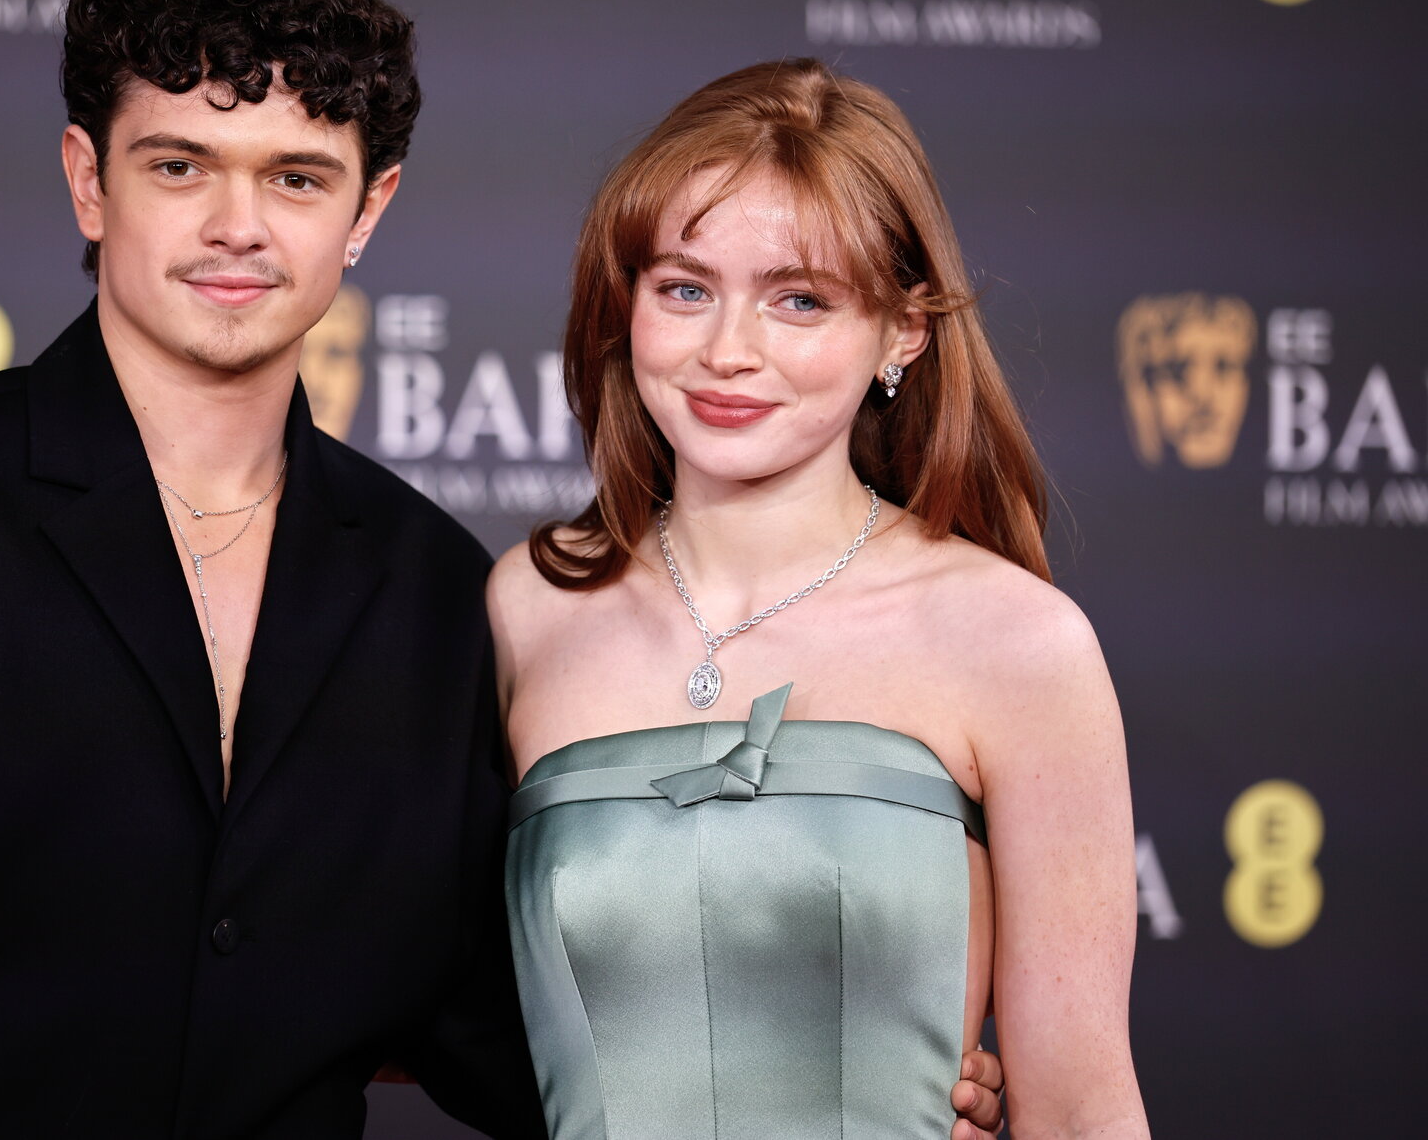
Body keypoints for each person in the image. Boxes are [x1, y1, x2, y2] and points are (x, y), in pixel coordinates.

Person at [0, 0, 1006, 1137]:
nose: (237, 226)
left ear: (368, 208)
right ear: (87, 179)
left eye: (296, 177)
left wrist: (825, 1087)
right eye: (180, 166)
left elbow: (517, 1034)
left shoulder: (437, 594)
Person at [490, 61, 1148, 1138]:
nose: (728, 351)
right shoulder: (527, 606)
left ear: (904, 329)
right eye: (685, 288)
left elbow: (1081, 1109)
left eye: (799, 299)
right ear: (628, 303)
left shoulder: (1016, 642)